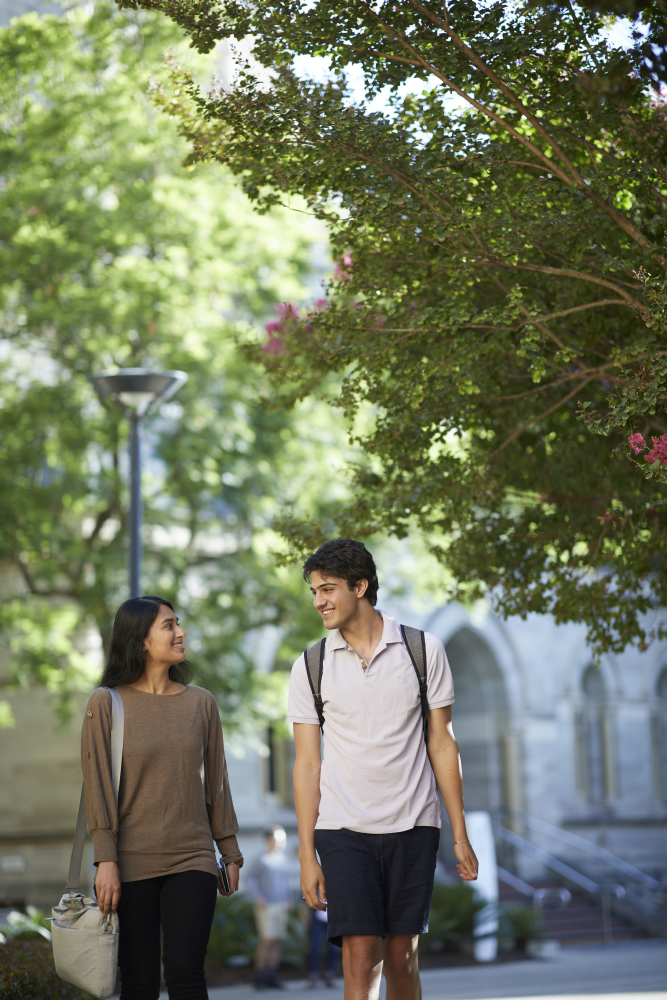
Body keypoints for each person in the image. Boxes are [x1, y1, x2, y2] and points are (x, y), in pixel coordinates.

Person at [287, 539, 479, 1000]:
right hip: (342, 828)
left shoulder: (422, 650)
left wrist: (459, 832)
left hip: (413, 825)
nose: (319, 602)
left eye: (328, 589)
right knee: (359, 957)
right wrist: (306, 853)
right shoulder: (310, 665)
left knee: (401, 958)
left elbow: (442, 742)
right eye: (314, 591)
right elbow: (307, 763)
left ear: (361, 585)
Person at [83, 595, 243, 1000]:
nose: (180, 632)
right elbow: (97, 786)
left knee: (187, 973)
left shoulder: (201, 703)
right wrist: (106, 859)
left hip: (192, 856)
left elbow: (217, 785)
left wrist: (229, 849)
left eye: (178, 623)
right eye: (169, 625)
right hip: (130, 861)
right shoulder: (106, 703)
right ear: (140, 640)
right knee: (139, 982)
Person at [246, 825, 291, 990]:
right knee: (267, 940)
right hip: (267, 906)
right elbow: (249, 879)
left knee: (278, 940)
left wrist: (288, 898)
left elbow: (284, 882)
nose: (283, 843)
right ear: (270, 840)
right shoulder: (261, 859)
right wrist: (259, 897)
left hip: (281, 904)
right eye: (280, 839)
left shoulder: (283, 859)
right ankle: (259, 975)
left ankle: (272, 975)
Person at [306, 906, 338, 988]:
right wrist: (305, 913)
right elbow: (304, 898)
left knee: (333, 947)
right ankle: (313, 975)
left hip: (333, 918)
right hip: (317, 918)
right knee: (315, 946)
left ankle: (329, 974)